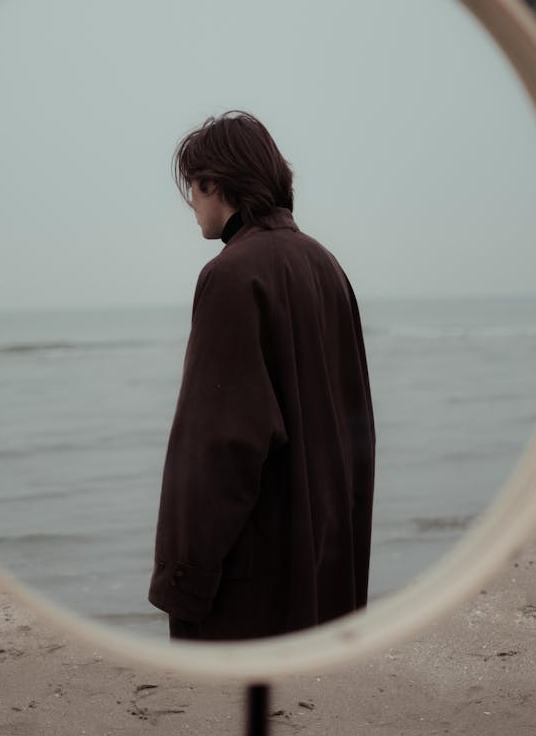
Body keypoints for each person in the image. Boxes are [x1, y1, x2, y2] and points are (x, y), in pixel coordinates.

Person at [148, 111, 375, 641]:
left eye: (193, 188)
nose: (190, 203)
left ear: (216, 184)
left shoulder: (231, 274)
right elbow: (354, 427)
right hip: (320, 568)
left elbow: (218, 445)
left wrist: (184, 581)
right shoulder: (325, 264)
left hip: (251, 581)